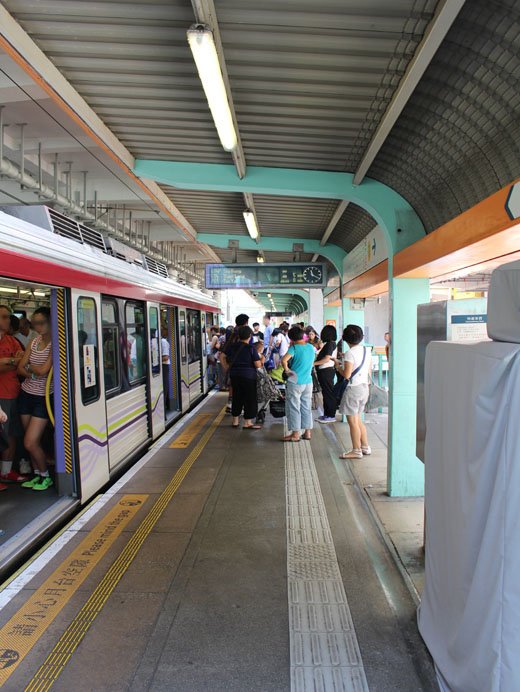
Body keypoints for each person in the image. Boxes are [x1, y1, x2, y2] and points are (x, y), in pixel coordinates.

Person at [17, 306, 54, 490]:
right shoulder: (34, 342)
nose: (38, 327)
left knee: (30, 442)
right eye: (35, 323)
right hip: (26, 394)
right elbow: (20, 368)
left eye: (41, 323)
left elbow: (43, 370)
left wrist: (30, 369)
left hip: (43, 397)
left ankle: (46, 475)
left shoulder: (56, 344)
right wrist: (32, 372)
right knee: (31, 440)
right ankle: (37, 474)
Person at [334, 325, 372, 460]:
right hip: (364, 387)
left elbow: (346, 375)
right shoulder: (366, 349)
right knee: (358, 419)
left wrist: (338, 365)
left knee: (353, 421)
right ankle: (365, 447)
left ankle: (356, 450)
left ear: (344, 338)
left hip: (353, 389)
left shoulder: (350, 353)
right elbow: (368, 369)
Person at [0, 306, 27, 487]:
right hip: (2, 395)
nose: (8, 320)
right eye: (3, 317)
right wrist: (13, 361)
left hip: (14, 392)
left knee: (11, 435)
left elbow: (23, 362)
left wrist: (8, 361)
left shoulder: (12, 340)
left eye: (8, 317)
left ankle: (6, 471)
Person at [220, 325, 262, 429]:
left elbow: (222, 356)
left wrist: (226, 368)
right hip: (248, 376)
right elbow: (257, 365)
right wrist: (261, 360)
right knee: (249, 398)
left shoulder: (232, 346)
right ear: (250, 336)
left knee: (236, 396)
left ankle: (235, 421)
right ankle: (247, 422)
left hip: (235, 375)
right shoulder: (251, 348)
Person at [281, 325, 316, 442]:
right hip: (308, 381)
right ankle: (307, 432)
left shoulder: (294, 348)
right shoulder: (311, 347)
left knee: (294, 406)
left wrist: (287, 371)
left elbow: (284, 360)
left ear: (291, 338)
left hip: (295, 380)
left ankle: (295, 434)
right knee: (306, 406)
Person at [314, 324, 338, 423]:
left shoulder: (330, 344)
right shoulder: (330, 344)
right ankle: (327, 414)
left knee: (328, 392)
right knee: (326, 392)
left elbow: (326, 359)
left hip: (326, 370)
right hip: (325, 370)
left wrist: (314, 364)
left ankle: (331, 415)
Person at [161, 327, 170, 413]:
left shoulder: (163, 342)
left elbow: (166, 357)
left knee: (164, 387)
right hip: (162, 367)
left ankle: (163, 411)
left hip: (164, 367)